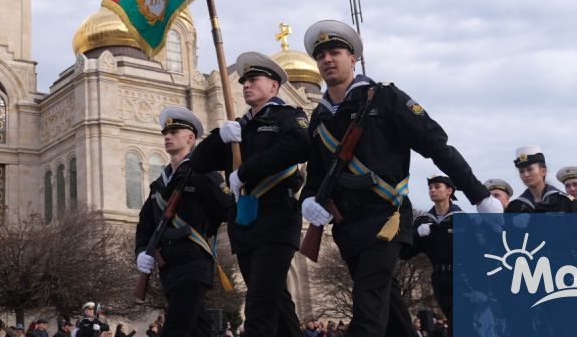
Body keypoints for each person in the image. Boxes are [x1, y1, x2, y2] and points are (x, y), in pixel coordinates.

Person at [298, 20, 501, 337]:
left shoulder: (384, 98)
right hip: (346, 225)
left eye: (335, 52)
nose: (327, 59)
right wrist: (308, 199)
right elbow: (317, 172)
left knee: (368, 306)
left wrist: (479, 195)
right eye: (320, 54)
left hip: (385, 219)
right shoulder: (320, 115)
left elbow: (436, 145)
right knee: (389, 309)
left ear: (353, 59)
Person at [191, 52, 310, 336]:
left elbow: (299, 145)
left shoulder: (288, 117)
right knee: (277, 304)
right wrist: (220, 137)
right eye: (243, 81)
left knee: (259, 305)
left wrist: (246, 172)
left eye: (254, 79)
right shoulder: (238, 127)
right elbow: (198, 163)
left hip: (277, 219)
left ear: (273, 86)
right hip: (245, 225)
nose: (246, 85)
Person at [135, 107, 228, 337]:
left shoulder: (204, 174)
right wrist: (141, 252)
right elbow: (145, 224)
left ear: (190, 138)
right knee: (198, 329)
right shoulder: (159, 184)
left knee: (176, 328)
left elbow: (227, 208)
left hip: (194, 263)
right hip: (169, 268)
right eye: (165, 132)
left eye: (174, 131)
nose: (167, 136)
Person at [407, 175, 463, 326]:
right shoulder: (423, 221)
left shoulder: (462, 219)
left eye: (437, 187)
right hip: (438, 277)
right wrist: (416, 235)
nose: (432, 190)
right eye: (430, 187)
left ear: (449, 191)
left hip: (460, 276)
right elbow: (405, 253)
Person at [503, 147, 577, 213]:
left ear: (543, 171)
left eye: (529, 169)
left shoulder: (564, 202)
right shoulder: (514, 207)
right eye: (521, 171)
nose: (525, 175)